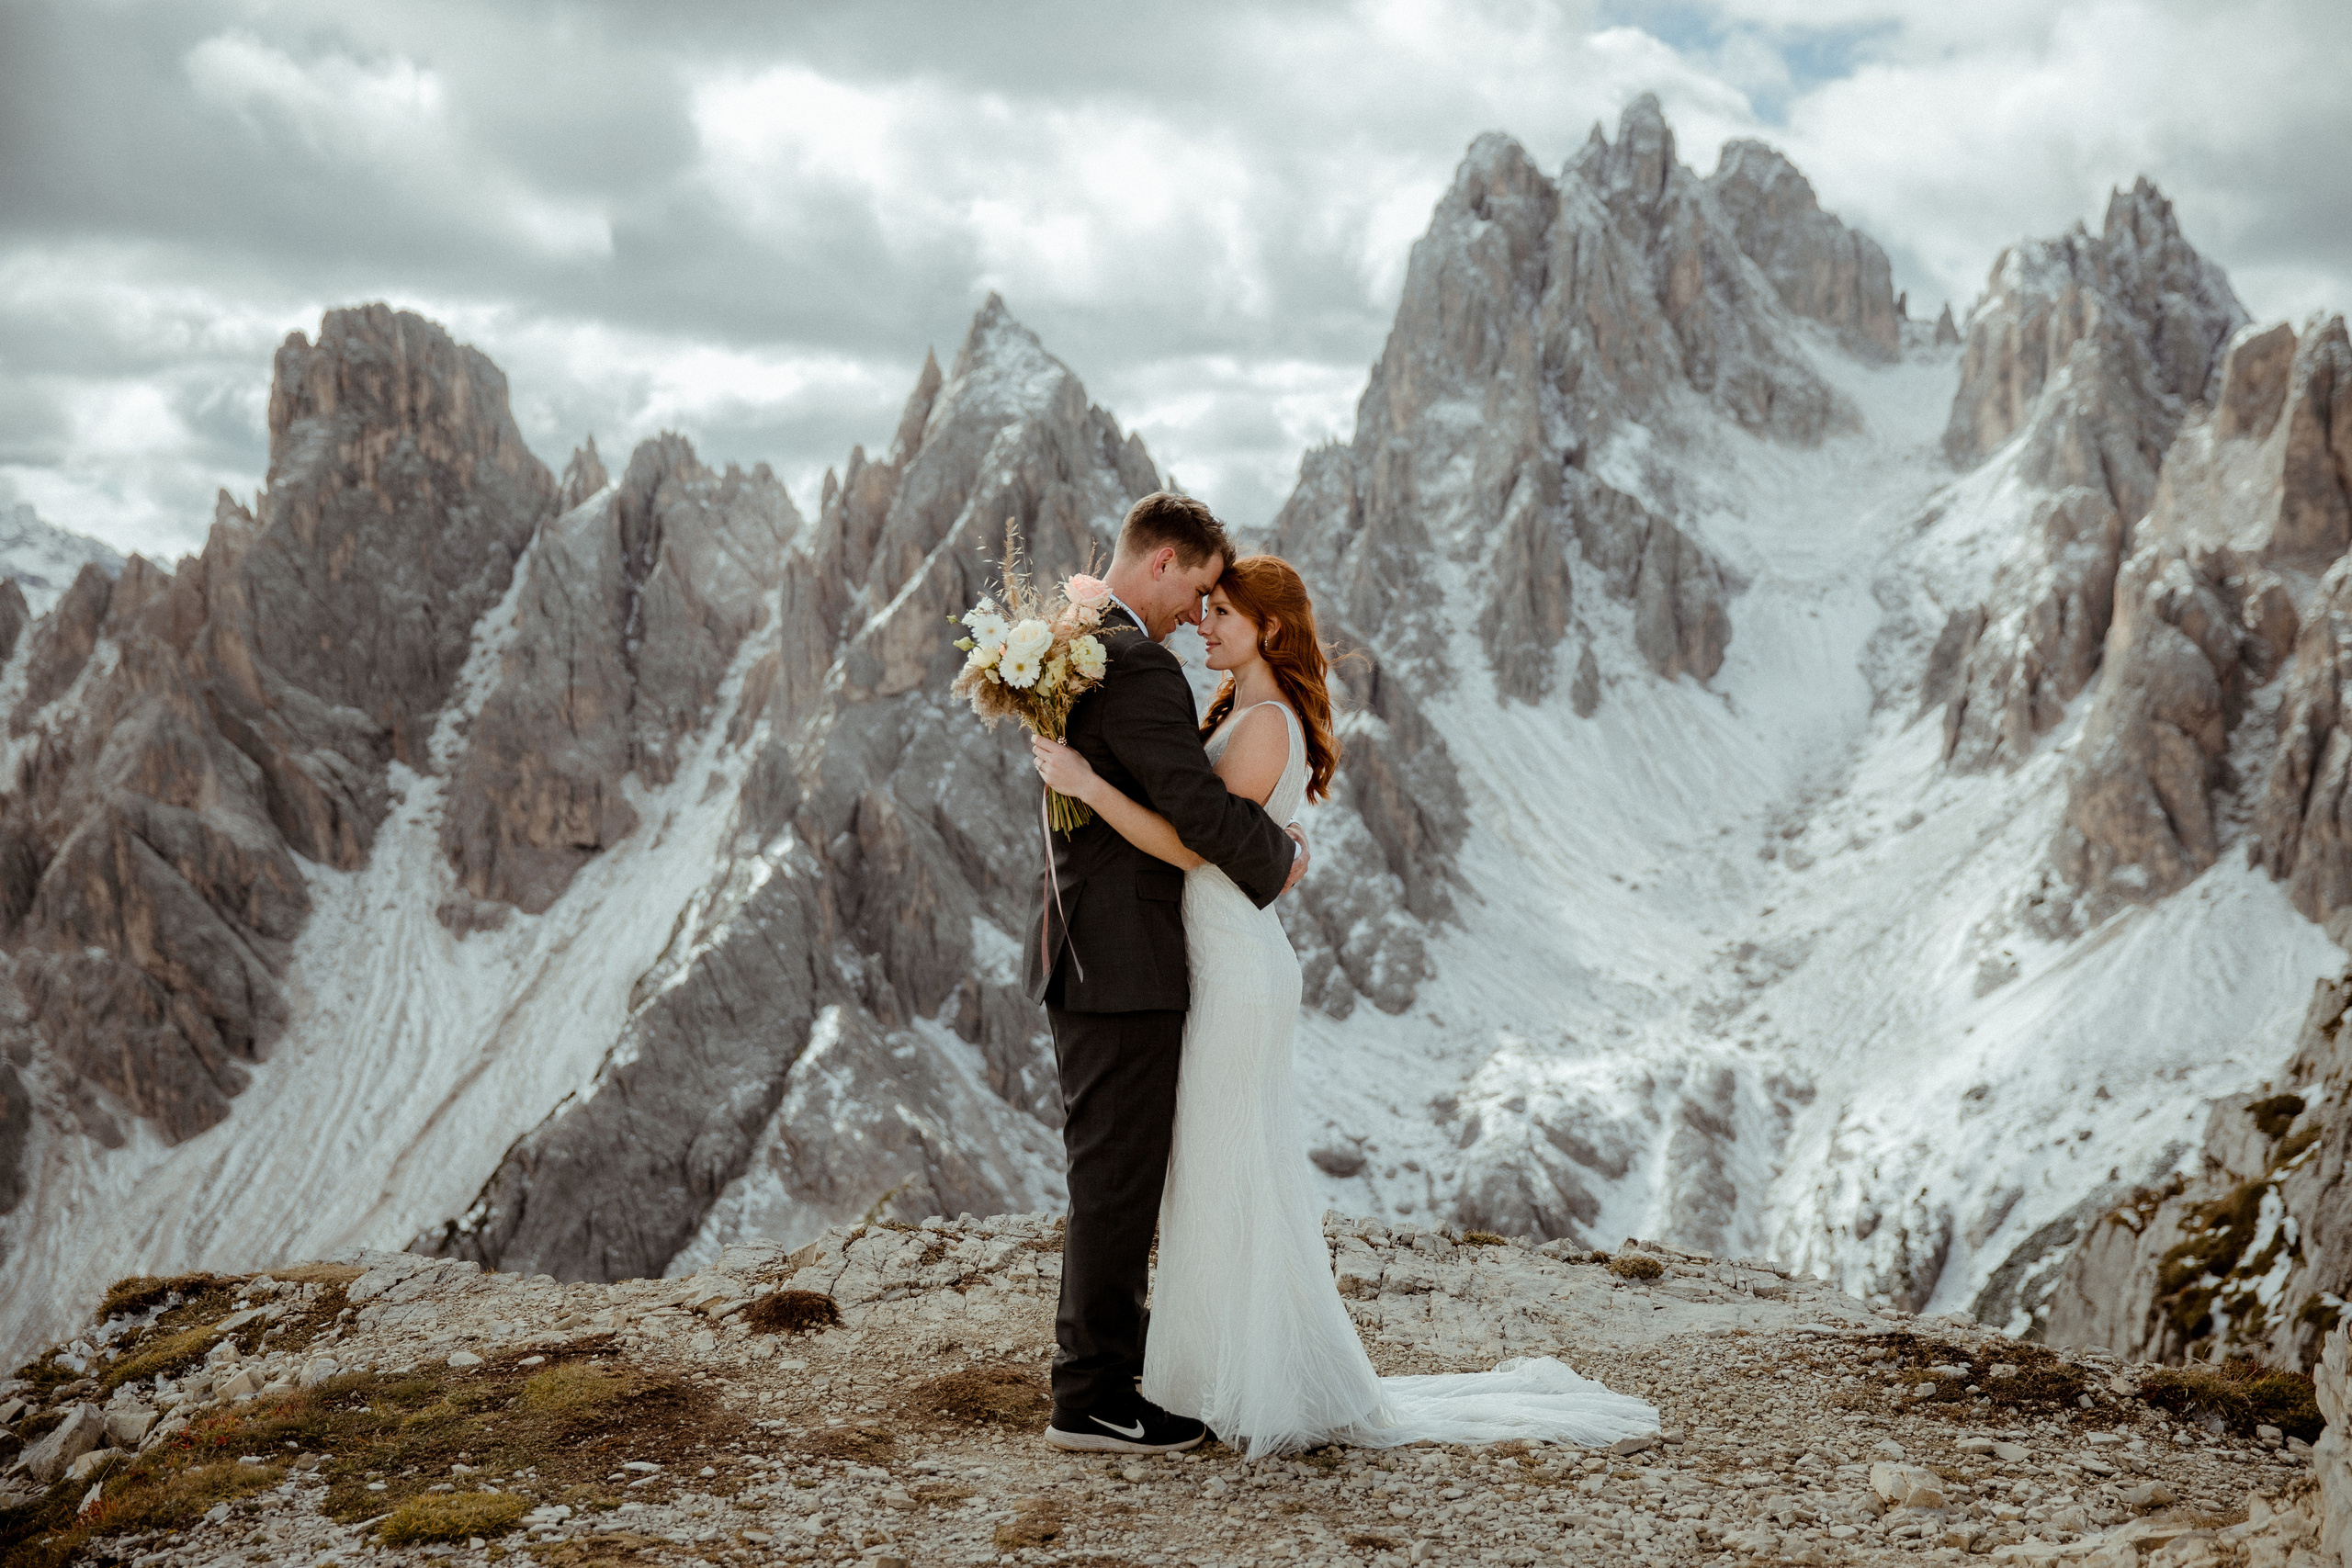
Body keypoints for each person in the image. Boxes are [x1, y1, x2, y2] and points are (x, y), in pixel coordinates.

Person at [1033, 553, 1659, 1457]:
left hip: (1230, 967)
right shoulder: (1242, 715)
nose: (1201, 627)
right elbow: (1230, 830)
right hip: (1216, 958)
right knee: (1214, 1170)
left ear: (1269, 632)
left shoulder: (1259, 725)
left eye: (1221, 616)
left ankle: (1242, 1378)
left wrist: (1086, 788)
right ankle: (1206, 1373)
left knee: (1227, 1168)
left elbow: (1193, 846)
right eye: (1200, 611)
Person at [1023, 491, 1307, 1455]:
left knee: (1114, 1169)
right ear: (1162, 562)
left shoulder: (1079, 635)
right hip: (1126, 957)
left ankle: (1109, 1366)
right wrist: (1279, 858)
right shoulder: (1133, 663)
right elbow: (1192, 809)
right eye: (1195, 590)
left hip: (1087, 945)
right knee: (1116, 1178)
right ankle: (1092, 1396)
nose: (1197, 614)